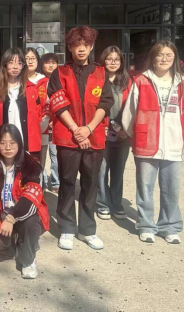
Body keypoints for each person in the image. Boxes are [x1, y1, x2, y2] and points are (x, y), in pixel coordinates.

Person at [48, 26, 114, 251]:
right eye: (77, 45)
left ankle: (87, 230)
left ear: (92, 46)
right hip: (68, 137)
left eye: (85, 45)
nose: (81, 49)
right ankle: (67, 228)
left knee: (90, 184)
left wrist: (89, 128)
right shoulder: (60, 73)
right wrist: (77, 130)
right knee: (67, 183)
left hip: (94, 138)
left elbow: (106, 103)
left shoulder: (101, 73)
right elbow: (58, 102)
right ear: (70, 47)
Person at [122, 41, 184, 245]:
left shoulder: (182, 83)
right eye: (160, 55)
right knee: (145, 187)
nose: (164, 59)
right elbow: (129, 113)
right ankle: (146, 226)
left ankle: (169, 226)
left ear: (175, 58)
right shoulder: (141, 81)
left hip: (173, 142)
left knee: (171, 188)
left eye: (169, 55)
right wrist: (137, 135)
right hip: (146, 143)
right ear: (152, 58)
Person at [0, 124, 49, 279]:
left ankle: (28, 259)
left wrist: (10, 219)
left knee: (30, 223)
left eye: (12, 143)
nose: (8, 147)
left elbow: (30, 200)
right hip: (4, 213)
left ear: (19, 143)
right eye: (2, 143)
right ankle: (14, 246)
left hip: (26, 214)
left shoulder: (32, 166)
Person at [0, 48, 43, 168]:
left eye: (19, 63)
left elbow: (39, 114)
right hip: (2, 144)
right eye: (11, 62)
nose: (15, 66)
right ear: (5, 64)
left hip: (26, 143)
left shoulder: (31, 88)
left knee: (27, 176)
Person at [96, 46, 133, 221]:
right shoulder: (96, 80)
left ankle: (117, 204)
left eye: (116, 59)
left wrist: (127, 129)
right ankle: (103, 204)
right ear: (103, 60)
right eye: (109, 59)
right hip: (101, 133)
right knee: (101, 172)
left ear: (121, 62)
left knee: (118, 172)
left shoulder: (128, 82)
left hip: (122, 135)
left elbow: (133, 108)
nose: (113, 62)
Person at [25, 48, 49, 187]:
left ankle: (37, 190)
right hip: (21, 127)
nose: (30, 61)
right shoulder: (16, 80)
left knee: (38, 162)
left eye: (33, 58)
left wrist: (43, 123)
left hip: (41, 128)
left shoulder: (44, 81)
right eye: (27, 58)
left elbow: (49, 104)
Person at [39, 53, 60, 192]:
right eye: (47, 62)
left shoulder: (61, 80)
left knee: (56, 156)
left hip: (57, 124)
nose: (51, 65)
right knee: (41, 156)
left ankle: (56, 182)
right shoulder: (39, 82)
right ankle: (43, 182)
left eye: (53, 62)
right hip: (42, 124)